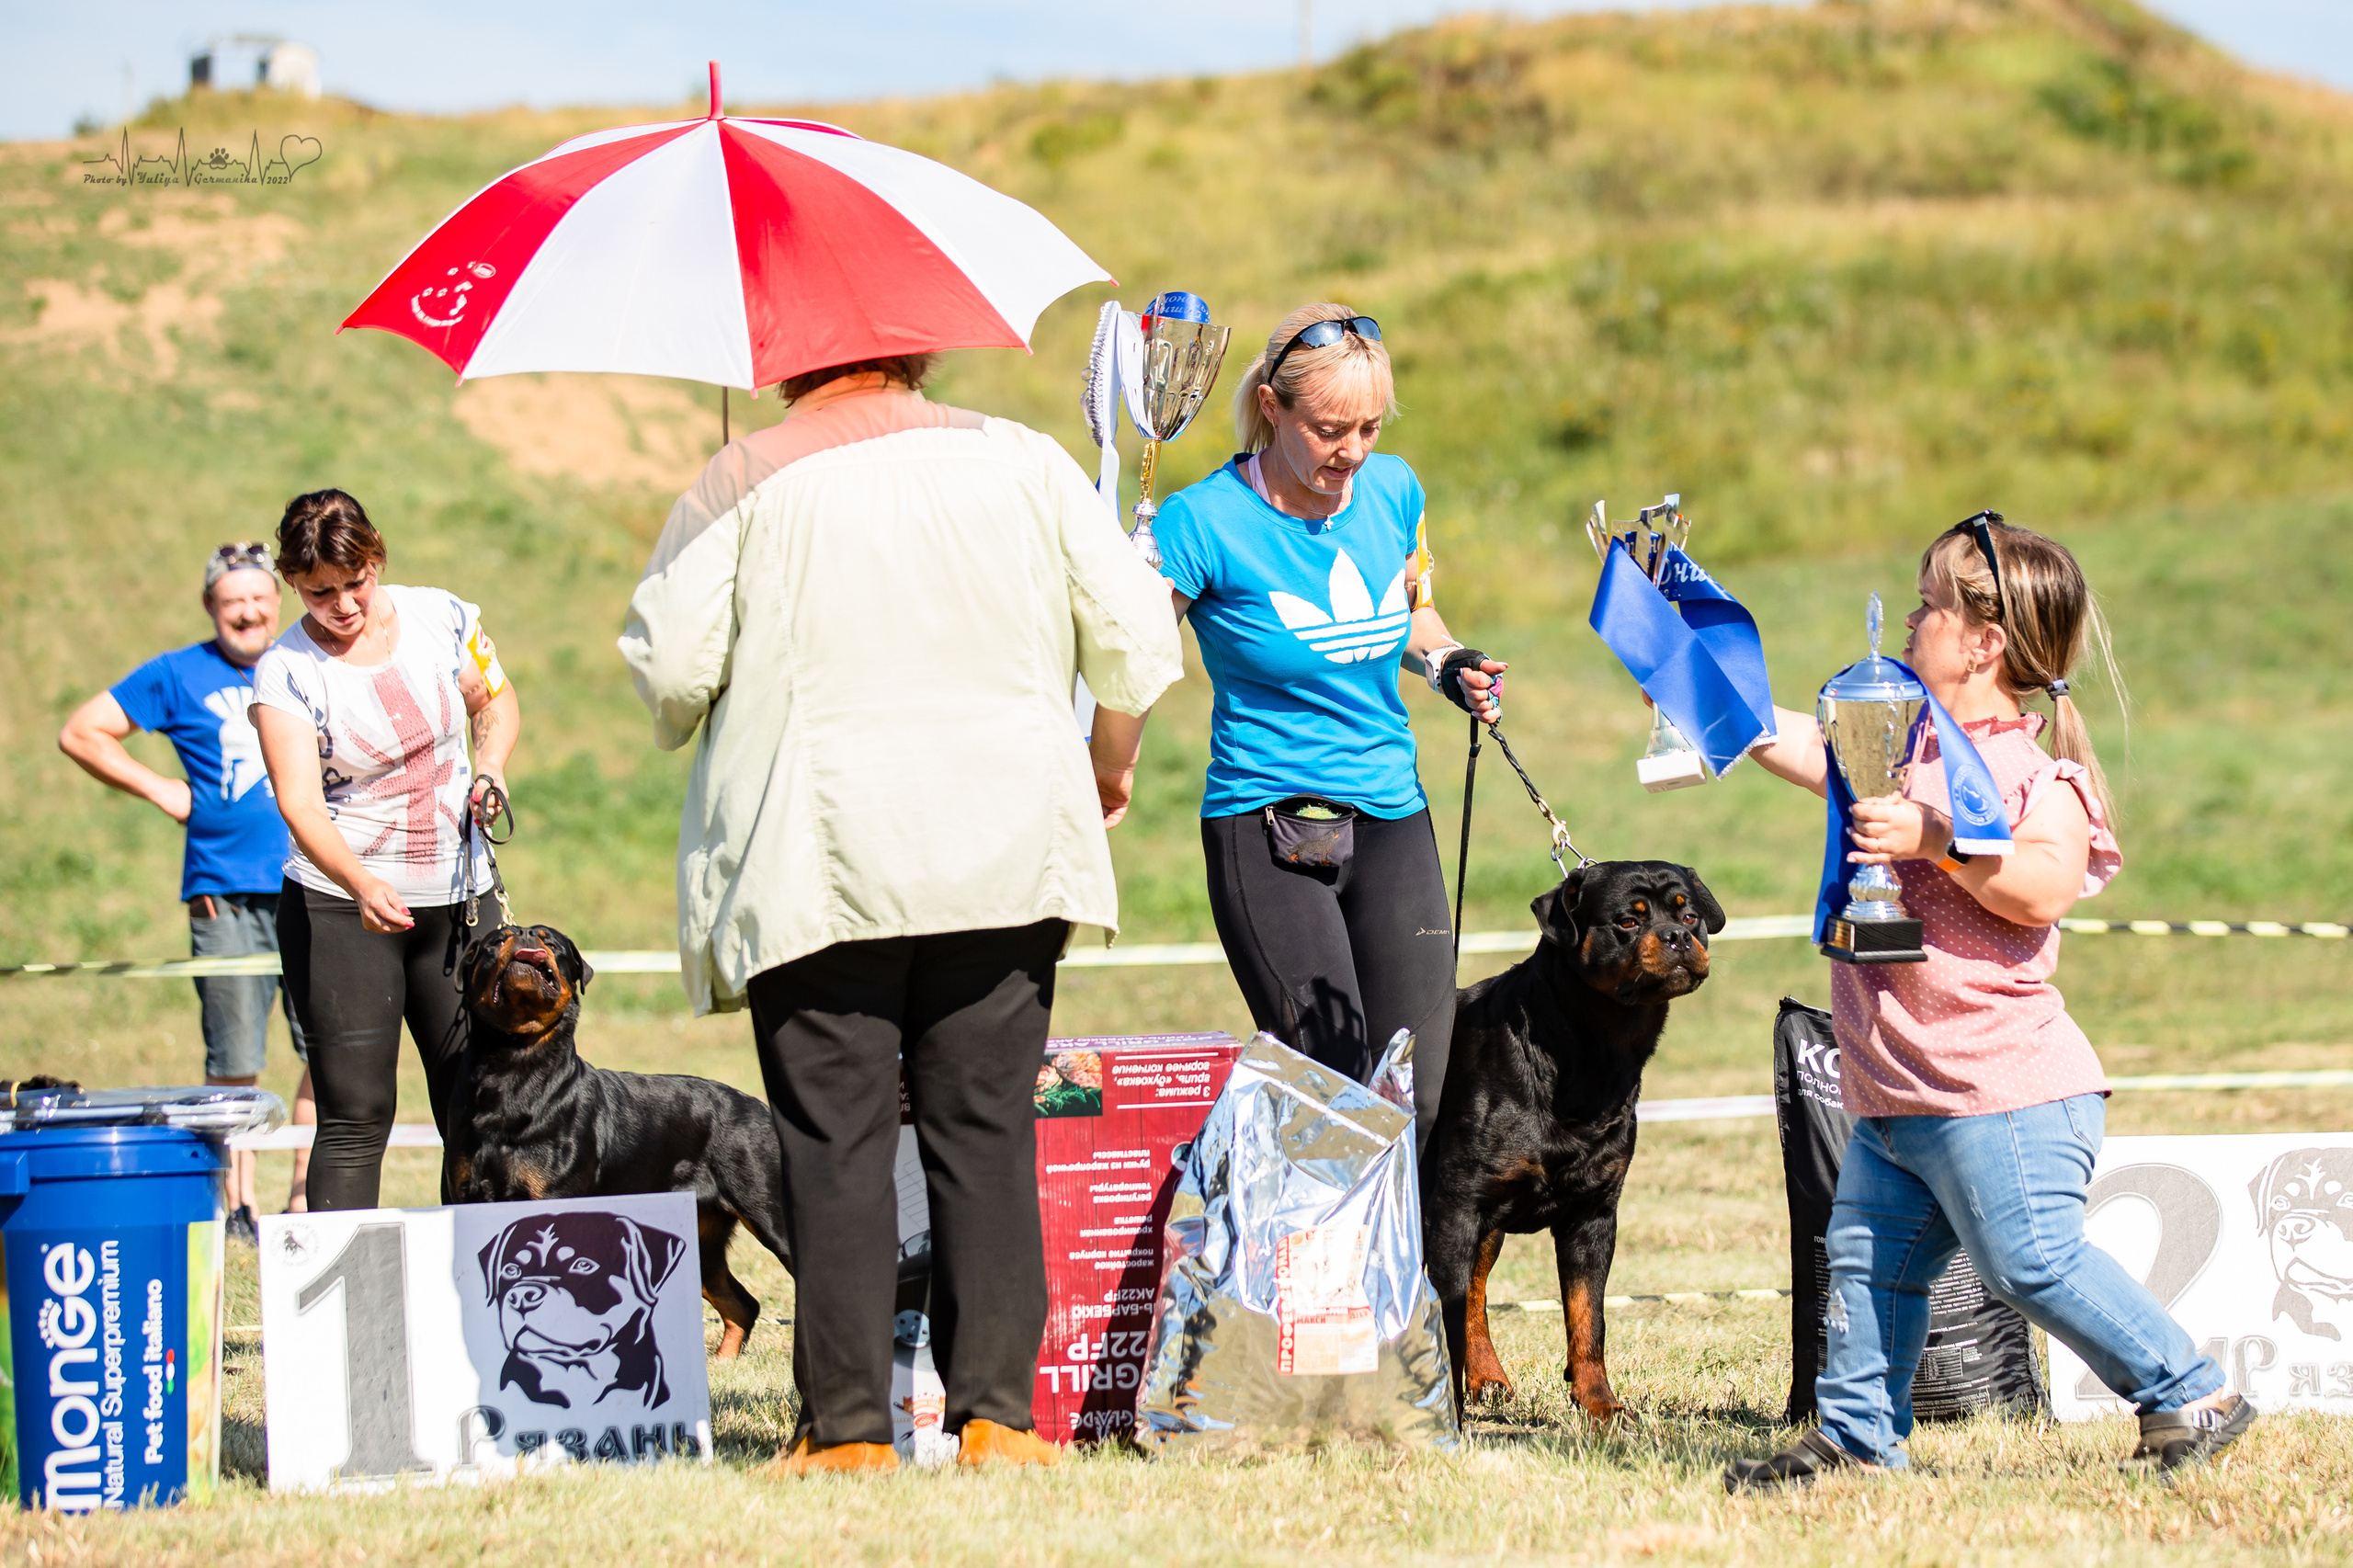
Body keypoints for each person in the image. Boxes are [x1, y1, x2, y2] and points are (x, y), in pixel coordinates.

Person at [620, 352, 1182, 1475]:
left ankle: (848, 1436)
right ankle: (998, 1421)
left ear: (784, 360)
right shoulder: (1025, 457)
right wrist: (1105, 765)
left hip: (821, 854)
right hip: (1008, 842)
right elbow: (1136, 634)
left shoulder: (741, 474)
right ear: (920, 348)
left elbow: (675, 678)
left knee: (834, 1147)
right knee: (987, 1131)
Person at [1723, 517, 2253, 1489]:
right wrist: (1695, 685)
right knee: (1866, 1265)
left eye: (1928, 604)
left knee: (2030, 1262)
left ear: (1983, 642)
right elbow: (1783, 737)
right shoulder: (1892, 739)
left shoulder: (2032, 773)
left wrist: (1934, 836)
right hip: (1900, 1090)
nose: (1913, 616)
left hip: (1999, 1091)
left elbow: (2043, 883)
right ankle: (1855, 1437)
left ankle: (2189, 1389)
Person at [1142, 303, 1506, 1151]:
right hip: (1268, 823)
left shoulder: (1394, 489)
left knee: (1420, 1093)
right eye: (1330, 429)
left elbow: (1412, 612)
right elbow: (1130, 661)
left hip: (1390, 812)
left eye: (1369, 428)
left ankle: (1406, 1286)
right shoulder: (1201, 523)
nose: (1352, 451)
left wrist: (1448, 661)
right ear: (1272, 408)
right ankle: (1304, 1281)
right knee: (1334, 1090)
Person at [250, 490, 520, 1211]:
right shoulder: (286, 670)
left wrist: (490, 765)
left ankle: (484, 1294)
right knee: (356, 1111)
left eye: (354, 581)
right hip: (342, 904)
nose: (340, 605)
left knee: (480, 1105)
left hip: (461, 895)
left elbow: (494, 702)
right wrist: (361, 883)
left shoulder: (440, 615)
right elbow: (301, 803)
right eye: (318, 592)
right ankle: (347, 1320)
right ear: (293, 585)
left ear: (377, 557)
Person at [58, 542, 318, 1240]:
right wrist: (158, 786)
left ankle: (304, 1196)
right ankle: (240, 1206)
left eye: (260, 597)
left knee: (324, 1045)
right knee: (233, 1059)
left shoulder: (310, 659)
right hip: (223, 892)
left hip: (316, 881)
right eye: (233, 600)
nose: (248, 611)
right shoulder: (177, 673)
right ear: (211, 606)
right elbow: (83, 732)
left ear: (279, 599)